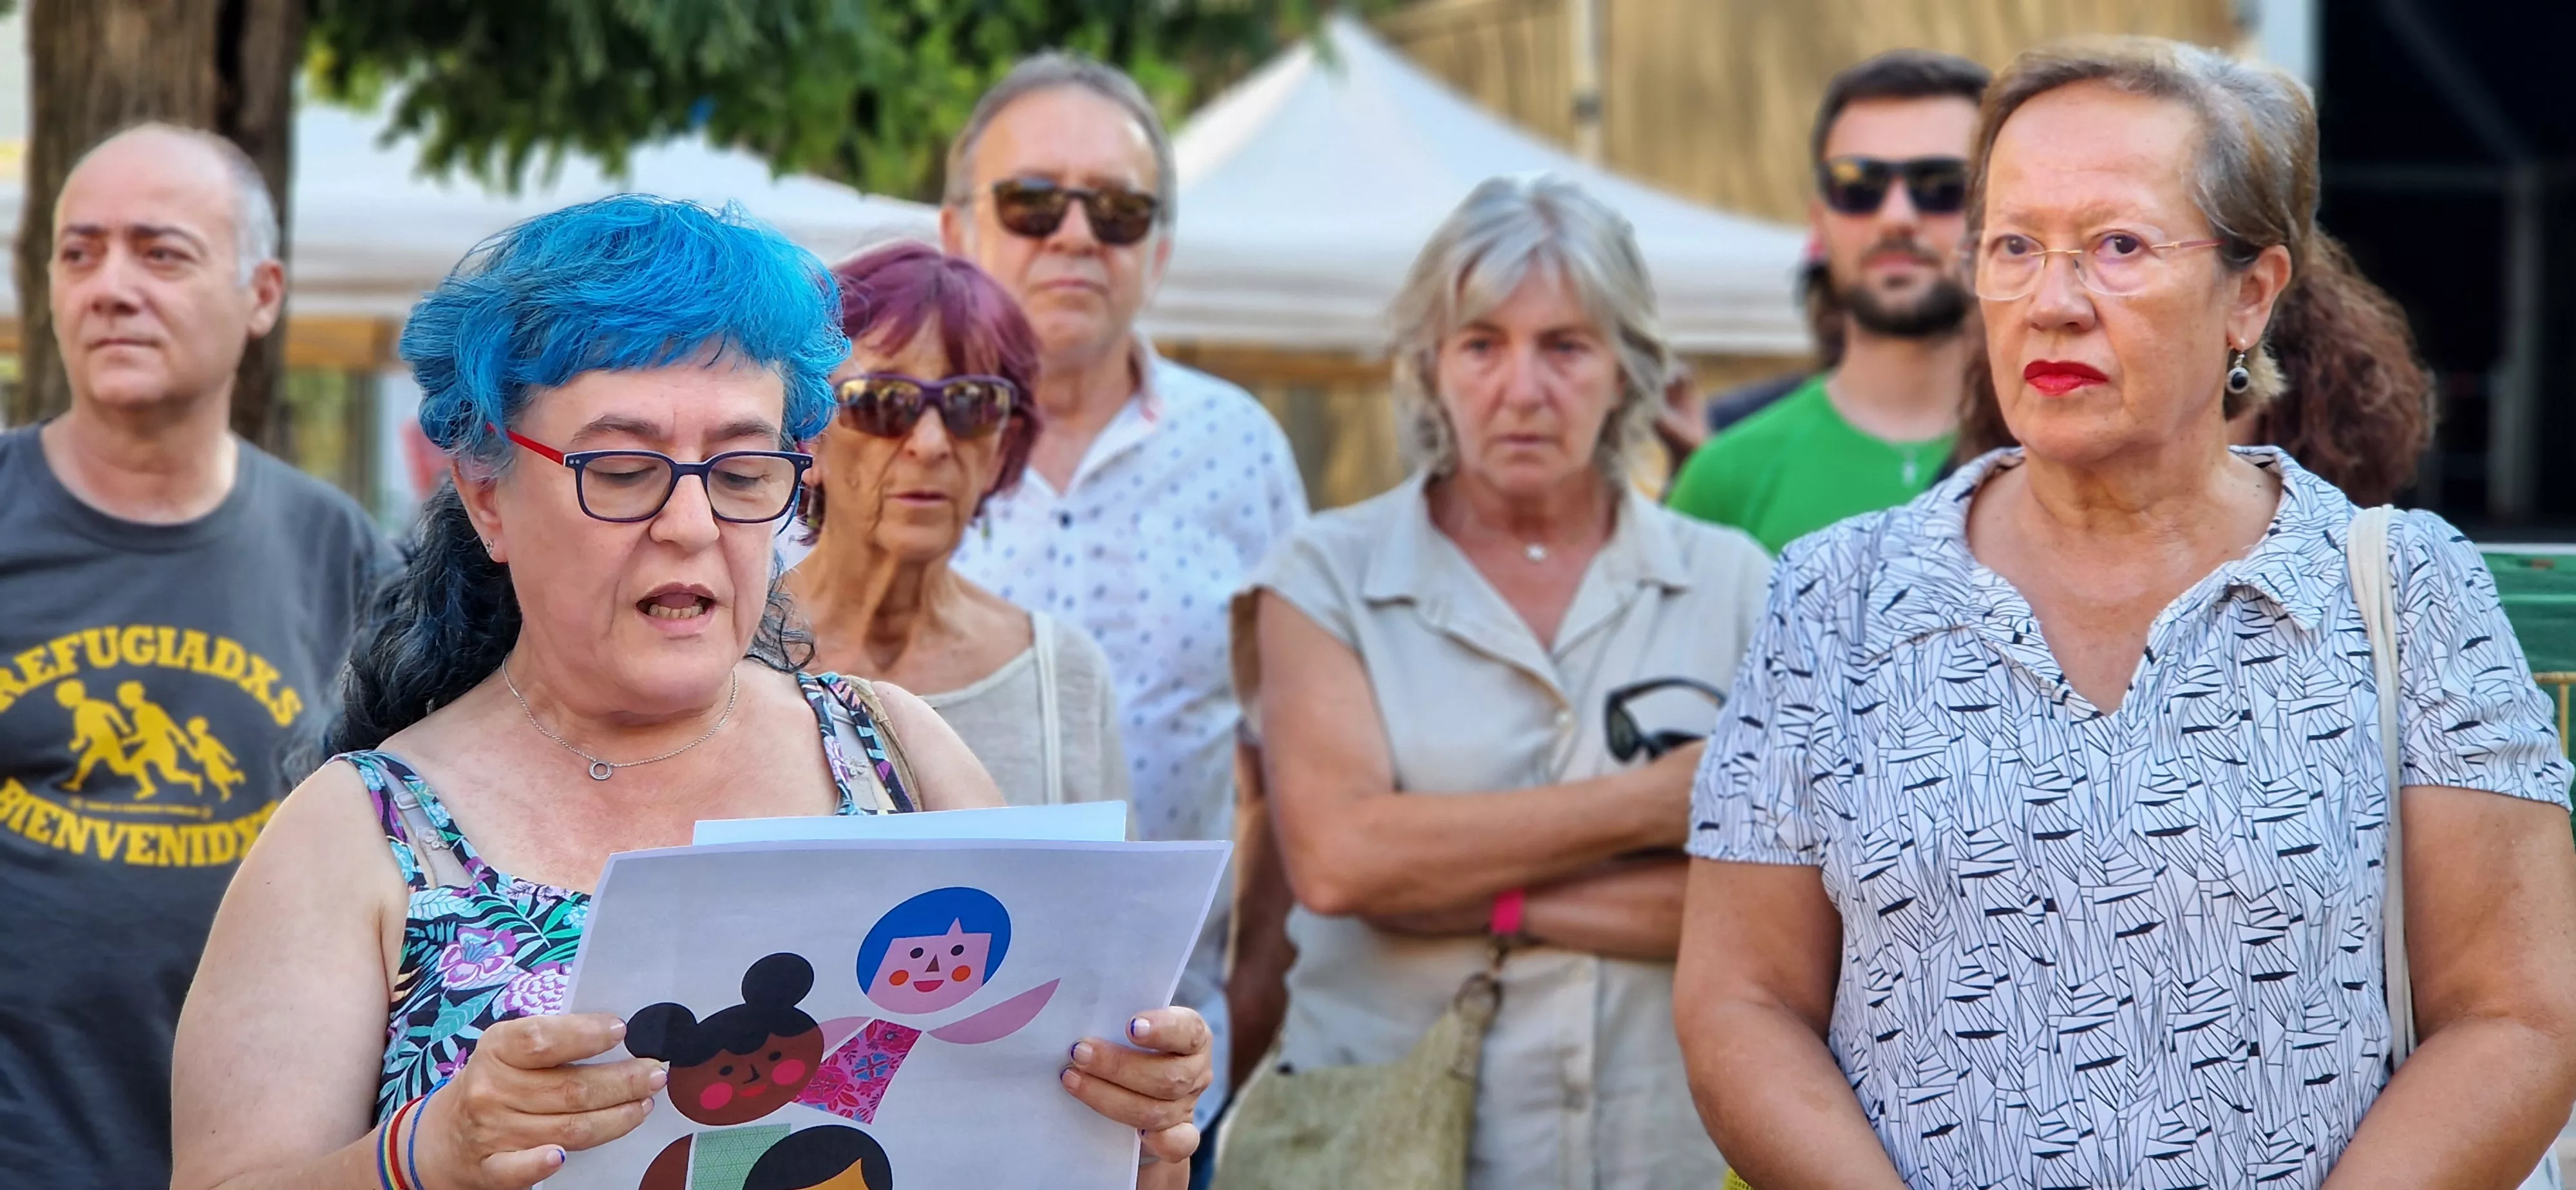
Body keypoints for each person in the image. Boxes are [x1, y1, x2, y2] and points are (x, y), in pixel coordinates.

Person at [167, 196, 1213, 1190]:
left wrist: (1136, 1128)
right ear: (488, 495)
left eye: (743, 467)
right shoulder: (360, 834)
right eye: (622, 469)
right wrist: (422, 1154)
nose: (690, 521)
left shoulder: (896, 752)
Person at [1677, 37, 2576, 1190]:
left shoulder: (2407, 590)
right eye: (2014, 246)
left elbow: (2518, 1017)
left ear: (2251, 295)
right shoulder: (1834, 595)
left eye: (2117, 246)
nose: (2053, 303)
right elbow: (1741, 1001)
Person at [1233, 173, 1771, 1188]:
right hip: (1378, 1148)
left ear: (1629, 370)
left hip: (1655, 1150)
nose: (1523, 389)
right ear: (1431, 368)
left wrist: (1478, 887)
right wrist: (1657, 803)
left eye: (1566, 346)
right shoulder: (1328, 574)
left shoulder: (1737, 583)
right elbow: (1346, 863)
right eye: (1482, 345)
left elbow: (1772, 914)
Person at [0, 123, 393, 1188]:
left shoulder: (342, 550)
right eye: (78, 253)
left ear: (262, 293)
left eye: (159, 252)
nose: (110, 286)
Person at [937, 51, 1309, 1135]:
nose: (1076, 235)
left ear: (1162, 249)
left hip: (1158, 1074)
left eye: (1120, 209)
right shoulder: (869, 437)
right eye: (1035, 200)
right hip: (906, 1053)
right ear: (956, 228)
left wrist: (1245, 1004)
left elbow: (1279, 763)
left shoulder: (1239, 448)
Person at [787, 241, 1130, 809]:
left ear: (1000, 450)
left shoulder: (1062, 677)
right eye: (884, 402)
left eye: (971, 404)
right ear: (809, 441)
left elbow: (1112, 899)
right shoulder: (722, 649)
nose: (931, 444)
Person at [1665, 49, 1991, 554]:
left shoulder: (2067, 459)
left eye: (1941, 185)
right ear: (1819, 220)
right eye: (1858, 186)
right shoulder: (1724, 479)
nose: (1896, 217)